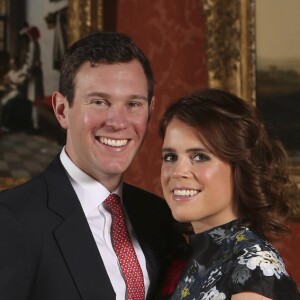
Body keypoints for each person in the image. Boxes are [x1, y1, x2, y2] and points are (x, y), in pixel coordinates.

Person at [0, 31, 179, 300]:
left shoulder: (159, 215)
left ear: (150, 111)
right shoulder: (11, 219)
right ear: (62, 110)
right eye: (99, 102)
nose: (118, 122)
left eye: (133, 104)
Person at [159, 89, 300, 300]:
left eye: (199, 156)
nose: (178, 171)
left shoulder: (254, 269)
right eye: (170, 157)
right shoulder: (181, 257)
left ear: (240, 168)